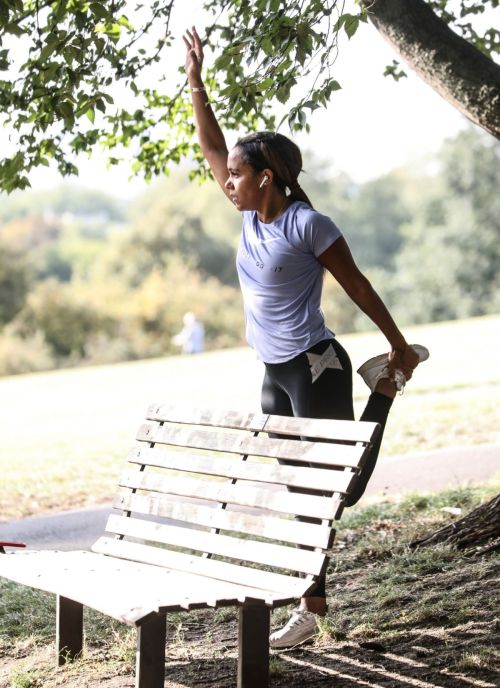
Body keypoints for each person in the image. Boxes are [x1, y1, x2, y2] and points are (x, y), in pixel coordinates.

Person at [183, 27, 429, 648]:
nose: (227, 181)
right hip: (275, 372)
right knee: (304, 494)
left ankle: (387, 385)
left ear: (267, 177)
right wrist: (196, 82)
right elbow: (211, 146)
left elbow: (358, 284)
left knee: (338, 491)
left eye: (238, 175)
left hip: (318, 363)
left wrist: (397, 343)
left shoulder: (307, 224)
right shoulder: (249, 212)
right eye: (230, 175)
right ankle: (311, 603)